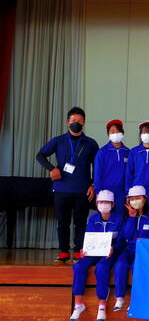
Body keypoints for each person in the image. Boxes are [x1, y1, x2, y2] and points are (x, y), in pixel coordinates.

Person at [36, 106, 99, 264]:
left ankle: (78, 251)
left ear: (84, 123)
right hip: (61, 188)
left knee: (80, 222)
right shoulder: (59, 141)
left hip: (82, 190)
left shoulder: (91, 143)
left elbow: (97, 167)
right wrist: (52, 168)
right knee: (62, 222)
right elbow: (40, 155)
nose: (76, 123)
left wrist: (93, 185)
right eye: (73, 120)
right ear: (67, 122)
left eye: (79, 121)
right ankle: (63, 251)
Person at [69, 190, 123, 321]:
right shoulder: (92, 219)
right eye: (101, 202)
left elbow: (122, 240)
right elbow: (89, 237)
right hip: (94, 252)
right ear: (97, 204)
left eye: (107, 202)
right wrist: (84, 249)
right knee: (79, 266)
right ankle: (78, 304)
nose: (104, 204)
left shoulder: (119, 219)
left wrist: (114, 248)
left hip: (110, 253)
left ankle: (102, 305)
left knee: (102, 267)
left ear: (113, 204)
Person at [114, 185, 149, 316]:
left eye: (138, 198)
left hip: (145, 251)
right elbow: (126, 235)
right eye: (132, 199)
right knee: (120, 264)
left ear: (145, 199)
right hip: (129, 249)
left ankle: (136, 299)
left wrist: (144, 242)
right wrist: (131, 217)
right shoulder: (127, 217)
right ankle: (120, 297)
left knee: (137, 266)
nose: (135, 201)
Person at [93, 119, 129, 212]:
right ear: (108, 134)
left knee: (121, 218)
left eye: (118, 131)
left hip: (122, 193)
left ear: (122, 133)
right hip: (105, 193)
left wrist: (128, 192)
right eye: (112, 131)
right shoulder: (102, 152)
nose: (115, 134)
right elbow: (97, 174)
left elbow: (130, 173)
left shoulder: (127, 152)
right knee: (107, 218)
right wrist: (98, 193)